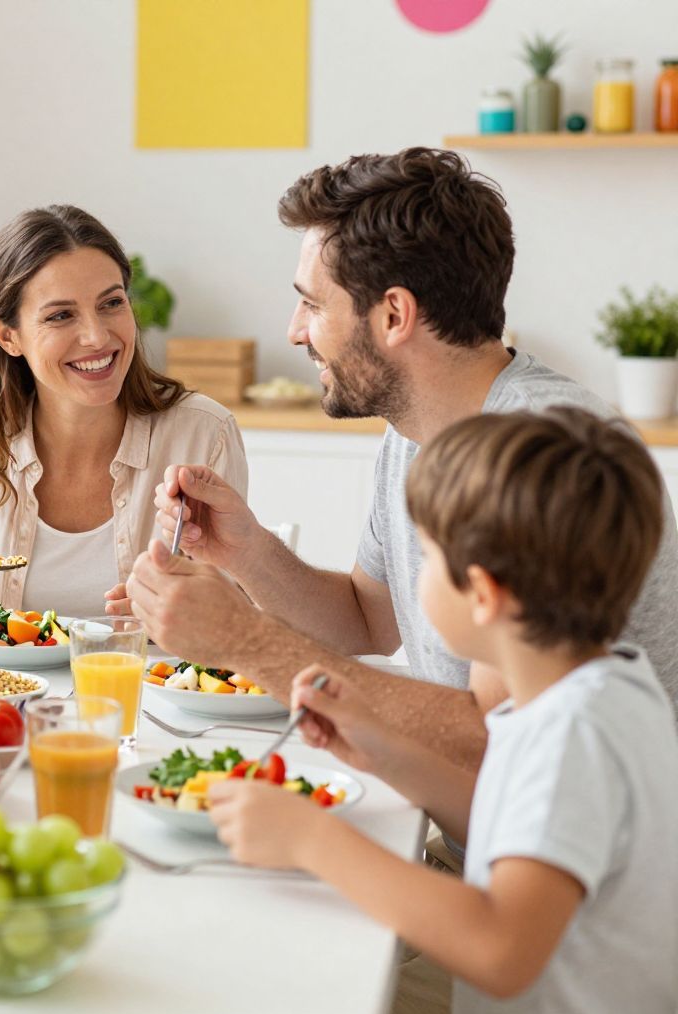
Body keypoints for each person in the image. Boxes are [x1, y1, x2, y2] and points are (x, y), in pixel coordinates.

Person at [124, 148, 678, 769]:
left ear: (394, 314)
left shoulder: (537, 460)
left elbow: (494, 743)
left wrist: (246, 641)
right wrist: (244, 551)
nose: (294, 331)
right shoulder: (416, 427)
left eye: (312, 303)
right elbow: (366, 620)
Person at [208, 407, 678, 1014]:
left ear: (482, 594)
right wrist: (381, 750)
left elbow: (500, 946)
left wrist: (312, 839)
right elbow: (515, 823)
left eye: (428, 557)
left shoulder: (574, 735)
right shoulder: (599, 687)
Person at [0, 204, 248, 632]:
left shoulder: (201, 434)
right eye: (61, 315)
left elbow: (231, 628)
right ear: (8, 336)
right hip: (7, 697)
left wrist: (184, 612)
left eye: (112, 303)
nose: (97, 337)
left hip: (146, 694)